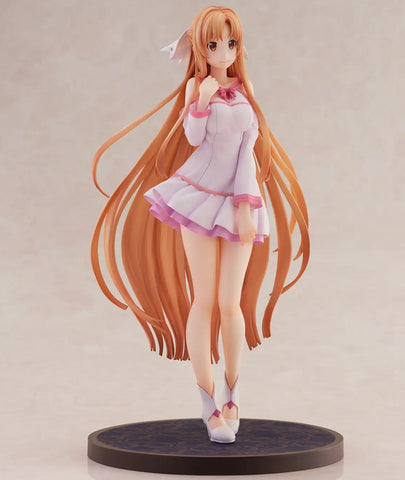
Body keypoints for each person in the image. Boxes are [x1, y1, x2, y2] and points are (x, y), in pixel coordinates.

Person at [90, 6, 310, 443]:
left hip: (238, 199)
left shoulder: (246, 89)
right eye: (213, 45)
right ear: (200, 49)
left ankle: (233, 395)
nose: (224, 52)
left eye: (231, 43)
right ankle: (208, 403)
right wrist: (203, 100)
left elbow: (249, 150)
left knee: (231, 303)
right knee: (204, 299)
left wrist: (246, 206)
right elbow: (192, 138)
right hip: (198, 196)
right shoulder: (197, 86)